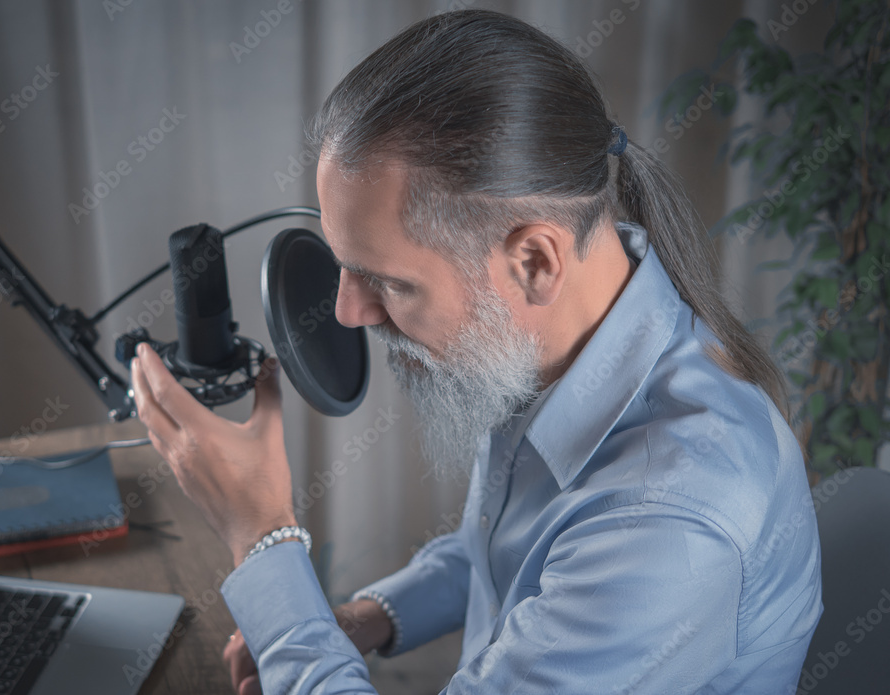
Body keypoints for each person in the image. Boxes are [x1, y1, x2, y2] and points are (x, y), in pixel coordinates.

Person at [130, 9, 822, 694]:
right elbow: (500, 552)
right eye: (344, 264)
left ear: (533, 261)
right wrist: (360, 620)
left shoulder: (670, 519)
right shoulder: (560, 339)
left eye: (388, 281)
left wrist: (261, 532)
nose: (346, 311)